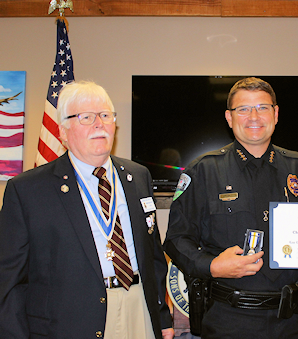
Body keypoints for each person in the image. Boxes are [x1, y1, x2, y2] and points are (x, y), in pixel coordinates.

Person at [164, 77, 298, 338]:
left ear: (276, 114)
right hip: (229, 322)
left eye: (263, 107)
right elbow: (176, 239)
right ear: (229, 118)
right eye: (243, 109)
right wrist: (212, 266)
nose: (254, 116)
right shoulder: (203, 171)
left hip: (293, 322)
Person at [0, 81, 174, 339]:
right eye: (86, 117)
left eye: (105, 115)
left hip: (139, 311)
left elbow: (153, 254)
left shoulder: (138, 176)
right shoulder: (27, 190)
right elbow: (9, 281)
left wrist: (161, 316)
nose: (99, 124)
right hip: (70, 320)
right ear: (63, 132)